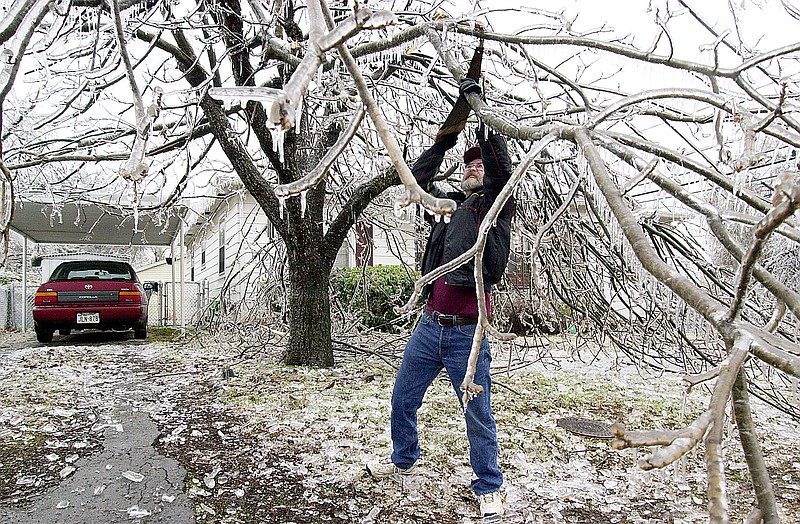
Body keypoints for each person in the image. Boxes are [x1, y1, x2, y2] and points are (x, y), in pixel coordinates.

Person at [366, 78, 514, 521]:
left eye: (477, 165)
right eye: (466, 165)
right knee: (402, 398)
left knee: (477, 415)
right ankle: (404, 458)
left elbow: (501, 172)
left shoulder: (495, 206)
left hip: (469, 336)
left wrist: (483, 117)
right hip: (430, 328)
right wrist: (453, 128)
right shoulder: (447, 206)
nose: (471, 168)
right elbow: (418, 178)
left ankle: (490, 486)